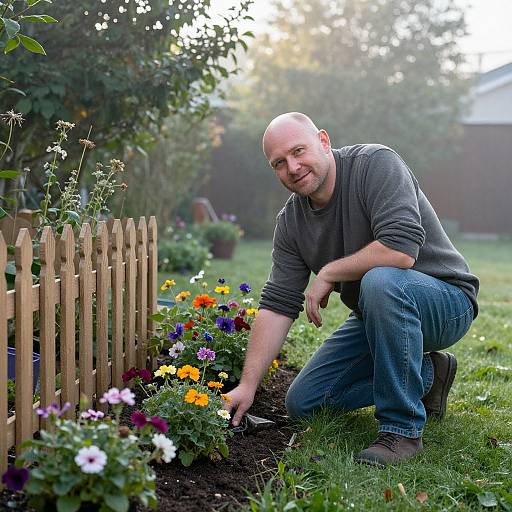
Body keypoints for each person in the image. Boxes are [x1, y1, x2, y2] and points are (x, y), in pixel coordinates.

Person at [224, 112, 479, 467]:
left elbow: (401, 250)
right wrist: (247, 384)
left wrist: (330, 271)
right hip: (378, 311)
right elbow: (277, 304)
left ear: (324, 142)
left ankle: (401, 431)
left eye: (299, 151)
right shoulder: (292, 223)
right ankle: (429, 375)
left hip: (446, 301)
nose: (293, 167)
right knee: (304, 402)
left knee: (381, 278)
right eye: (279, 163)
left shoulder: (375, 164)